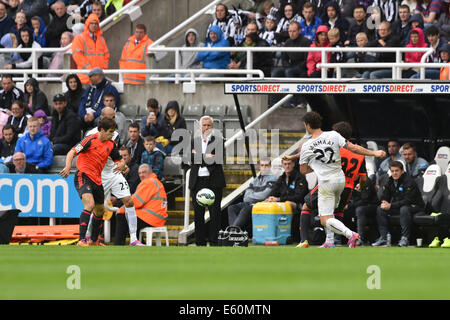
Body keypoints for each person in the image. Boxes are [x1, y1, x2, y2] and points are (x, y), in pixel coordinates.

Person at [297, 111, 386, 248]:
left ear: (308, 126)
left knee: (324, 219)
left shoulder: (307, 145)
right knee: (333, 212)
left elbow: (303, 170)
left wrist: (318, 166)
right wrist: (375, 153)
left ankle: (351, 235)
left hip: (327, 182)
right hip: (343, 182)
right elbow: (354, 149)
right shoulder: (334, 136)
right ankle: (330, 241)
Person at [59, 117, 126, 247]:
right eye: (110, 132)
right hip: (83, 176)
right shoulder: (89, 140)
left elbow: (120, 160)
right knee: (89, 204)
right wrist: (67, 167)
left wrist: (122, 165)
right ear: (101, 130)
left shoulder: (111, 144)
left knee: (100, 211)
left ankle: (94, 240)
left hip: (97, 180)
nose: (113, 135)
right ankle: (82, 240)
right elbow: (71, 152)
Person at [85, 106, 144, 246]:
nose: (113, 120)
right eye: (110, 117)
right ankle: (87, 236)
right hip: (99, 174)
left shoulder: (115, 134)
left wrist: (123, 164)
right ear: (101, 118)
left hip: (114, 172)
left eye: (114, 117)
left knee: (129, 201)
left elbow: (114, 153)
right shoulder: (90, 134)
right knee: (96, 208)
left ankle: (134, 239)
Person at [188, 115, 226, 246]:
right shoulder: (194, 141)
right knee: (198, 214)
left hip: (213, 181)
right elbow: (190, 159)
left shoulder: (219, 141)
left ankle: (214, 241)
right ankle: (200, 242)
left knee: (215, 213)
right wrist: (207, 157)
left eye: (208, 125)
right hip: (197, 181)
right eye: (204, 125)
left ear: (212, 127)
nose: (206, 128)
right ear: (200, 127)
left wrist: (200, 157)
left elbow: (218, 159)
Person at [372, 161, 425, 247]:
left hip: (415, 207)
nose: (394, 173)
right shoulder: (390, 181)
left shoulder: (409, 181)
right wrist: (384, 203)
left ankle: (405, 238)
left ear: (402, 171)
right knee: (380, 209)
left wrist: (391, 205)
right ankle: (384, 238)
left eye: (396, 171)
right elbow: (385, 196)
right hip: (399, 206)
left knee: (404, 208)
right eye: (392, 171)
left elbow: (407, 200)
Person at [116, 163, 168, 245]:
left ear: (150, 173)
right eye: (139, 173)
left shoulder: (148, 182)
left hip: (151, 217)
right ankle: (138, 242)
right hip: (158, 217)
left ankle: (118, 245)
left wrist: (121, 210)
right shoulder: (156, 182)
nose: (141, 175)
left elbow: (135, 201)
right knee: (131, 217)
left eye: (144, 172)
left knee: (122, 216)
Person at [265, 157, 308, 243]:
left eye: (289, 164)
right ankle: (268, 234)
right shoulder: (281, 178)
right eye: (285, 164)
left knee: (288, 204)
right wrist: (270, 198)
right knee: (266, 202)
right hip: (281, 204)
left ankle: (287, 234)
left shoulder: (300, 178)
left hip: (298, 205)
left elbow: (298, 196)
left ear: (293, 164)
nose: (287, 166)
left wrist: (279, 199)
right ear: (282, 165)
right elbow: (273, 191)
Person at [228, 158, 276, 232]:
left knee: (246, 209)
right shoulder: (255, 180)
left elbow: (265, 195)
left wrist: (252, 195)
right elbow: (246, 197)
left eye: (266, 165)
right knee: (232, 208)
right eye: (262, 165)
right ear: (259, 167)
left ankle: (233, 232)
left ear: (270, 166)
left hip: (262, 204)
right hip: (250, 203)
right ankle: (235, 231)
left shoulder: (273, 178)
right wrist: (254, 197)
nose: (264, 167)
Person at [72, 13, 109, 84]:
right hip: (84, 78)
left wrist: (102, 70)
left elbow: (106, 56)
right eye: (92, 23)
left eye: (96, 23)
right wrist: (90, 70)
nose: (94, 25)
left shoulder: (101, 39)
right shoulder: (80, 38)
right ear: (87, 24)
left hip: (99, 79)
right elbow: (77, 56)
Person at [354, 176, 379, 245]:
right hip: (357, 204)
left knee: (359, 210)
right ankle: (337, 239)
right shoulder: (349, 180)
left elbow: (365, 199)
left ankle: (360, 238)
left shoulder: (365, 180)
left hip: (371, 205)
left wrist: (350, 205)